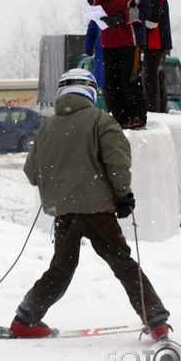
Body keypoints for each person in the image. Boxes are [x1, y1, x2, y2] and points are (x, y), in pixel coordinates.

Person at [9, 69, 171, 341]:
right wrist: (123, 195)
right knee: (123, 265)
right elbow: (116, 161)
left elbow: (32, 173)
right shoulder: (100, 120)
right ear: (91, 91)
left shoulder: (47, 127)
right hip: (98, 212)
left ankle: (25, 320)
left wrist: (60, 178)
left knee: (60, 269)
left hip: (65, 214)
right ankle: (155, 320)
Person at [87, 0, 150, 129]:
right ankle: (120, 118)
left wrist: (121, 18)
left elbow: (144, 10)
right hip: (108, 41)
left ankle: (137, 116)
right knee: (112, 83)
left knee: (129, 79)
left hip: (130, 40)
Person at [136, 0, 172, 113]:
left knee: (150, 77)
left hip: (155, 42)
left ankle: (153, 110)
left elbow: (154, 18)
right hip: (161, 42)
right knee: (158, 76)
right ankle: (161, 109)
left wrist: (142, 35)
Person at [84, 20, 105, 89]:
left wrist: (88, 47)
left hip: (102, 50)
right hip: (102, 50)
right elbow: (91, 31)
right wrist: (88, 47)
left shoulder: (98, 12)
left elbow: (91, 32)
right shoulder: (98, 13)